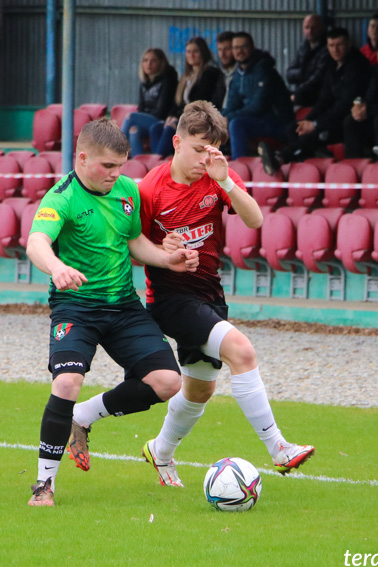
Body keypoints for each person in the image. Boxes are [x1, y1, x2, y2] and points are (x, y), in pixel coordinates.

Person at [131, 100, 314, 486]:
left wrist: (226, 179)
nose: (204, 159)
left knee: (200, 390)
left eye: (211, 151)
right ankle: (279, 447)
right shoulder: (150, 188)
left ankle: (160, 451)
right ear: (177, 141)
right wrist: (164, 252)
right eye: (197, 149)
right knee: (242, 352)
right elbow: (133, 245)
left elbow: (255, 219)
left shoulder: (217, 177)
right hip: (170, 298)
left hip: (210, 294)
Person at [25, 117, 199, 507]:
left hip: (123, 306)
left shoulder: (126, 191)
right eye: (107, 166)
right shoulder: (61, 197)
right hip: (76, 306)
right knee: (67, 383)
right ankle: (43, 485)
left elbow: (134, 240)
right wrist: (57, 268)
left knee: (168, 383)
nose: (116, 174)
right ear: (82, 158)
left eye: (121, 166)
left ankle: (84, 416)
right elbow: (36, 242)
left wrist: (168, 259)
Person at [260, 28, 369, 172]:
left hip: (347, 119)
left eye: (339, 45)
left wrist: (316, 124)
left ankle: (281, 157)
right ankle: (304, 167)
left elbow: (345, 104)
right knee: (295, 128)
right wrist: (309, 120)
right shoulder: (331, 65)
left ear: (349, 44)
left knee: (315, 132)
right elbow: (324, 99)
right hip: (331, 116)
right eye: (331, 45)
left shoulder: (358, 66)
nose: (335, 50)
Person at [222, 32, 294, 160]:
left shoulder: (265, 70)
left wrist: (229, 118)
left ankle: (239, 168)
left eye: (243, 47)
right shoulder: (238, 74)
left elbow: (258, 106)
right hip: (254, 121)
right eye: (236, 48)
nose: (239, 51)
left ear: (252, 47)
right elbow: (232, 104)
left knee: (236, 124)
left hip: (276, 122)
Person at [149, 37, 222, 158]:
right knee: (156, 127)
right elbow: (178, 102)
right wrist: (171, 116)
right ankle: (162, 161)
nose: (191, 55)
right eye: (188, 52)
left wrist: (177, 118)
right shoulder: (186, 76)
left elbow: (198, 102)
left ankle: (157, 162)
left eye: (195, 51)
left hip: (200, 118)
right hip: (184, 117)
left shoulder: (209, 73)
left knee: (170, 129)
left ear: (203, 53)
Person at [120, 48, 178, 156]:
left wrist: (141, 119)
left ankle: (115, 148)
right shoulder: (144, 83)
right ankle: (139, 166)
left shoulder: (168, 80)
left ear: (161, 63)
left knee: (130, 117)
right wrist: (141, 120)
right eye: (145, 60)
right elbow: (141, 108)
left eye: (153, 61)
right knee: (134, 130)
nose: (148, 64)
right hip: (147, 120)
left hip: (160, 121)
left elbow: (162, 110)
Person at [286, 14, 330, 107]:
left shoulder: (327, 48)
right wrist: (304, 73)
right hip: (302, 92)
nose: (310, 31)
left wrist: (297, 92)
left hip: (318, 96)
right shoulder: (303, 47)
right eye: (307, 27)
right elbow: (289, 74)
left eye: (314, 27)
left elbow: (318, 79)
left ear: (321, 28)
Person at [215, 32, 236, 109]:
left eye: (227, 49)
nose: (222, 54)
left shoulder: (242, 73)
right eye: (220, 49)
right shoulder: (221, 72)